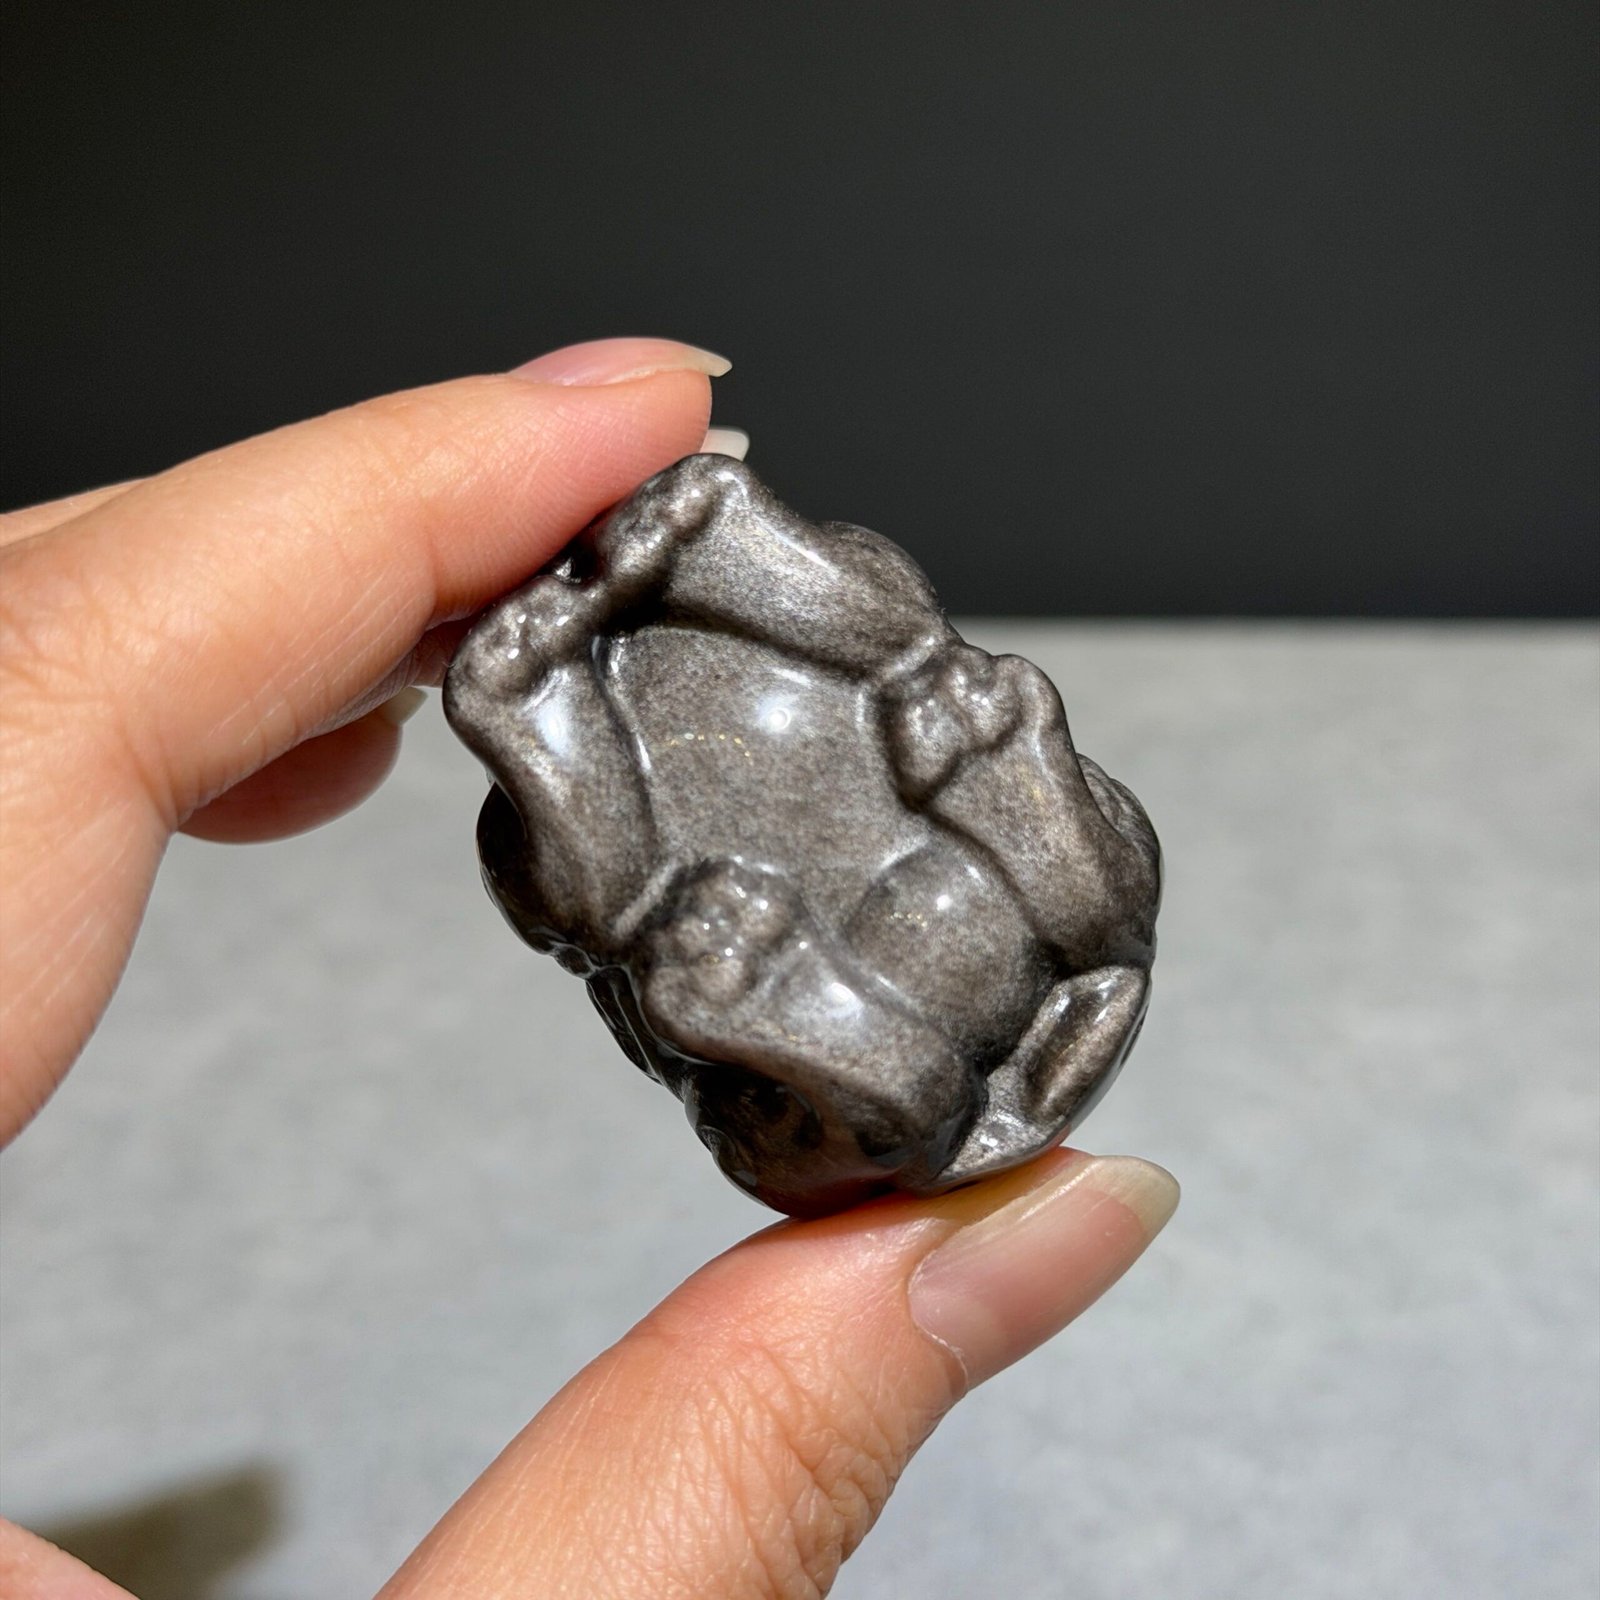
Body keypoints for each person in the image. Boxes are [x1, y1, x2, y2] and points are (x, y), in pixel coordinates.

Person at [0, 337, 1179, 1599]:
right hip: (812, 965)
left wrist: (747, 576)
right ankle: (845, 1002)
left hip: (939, 908)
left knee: (928, 763)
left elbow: (901, 670)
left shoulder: (760, 642)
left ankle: (907, 935)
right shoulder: (610, 776)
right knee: (616, 893)